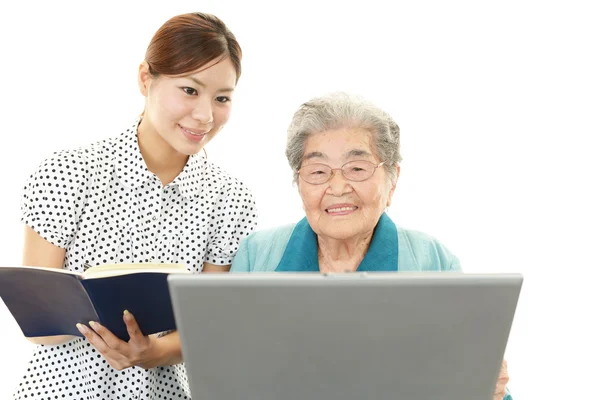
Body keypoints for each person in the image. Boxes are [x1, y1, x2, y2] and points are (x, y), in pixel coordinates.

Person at [13, 12, 257, 400]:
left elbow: (209, 326)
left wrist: (153, 351)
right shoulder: (68, 172)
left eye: (222, 98)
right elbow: (41, 326)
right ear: (146, 79)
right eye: (190, 90)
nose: (205, 116)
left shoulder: (231, 200)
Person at [230, 92, 512, 400]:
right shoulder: (256, 254)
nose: (337, 187)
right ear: (299, 184)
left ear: (392, 180)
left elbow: (469, 377)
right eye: (318, 171)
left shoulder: (434, 261)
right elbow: (227, 376)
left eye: (357, 168)